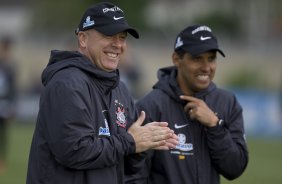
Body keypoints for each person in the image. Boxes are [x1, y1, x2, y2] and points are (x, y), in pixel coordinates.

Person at [26, 2, 178, 184]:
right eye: (108, 36)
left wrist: (142, 146)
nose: (118, 45)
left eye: (122, 37)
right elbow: (74, 151)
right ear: (82, 39)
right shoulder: (67, 83)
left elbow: (126, 164)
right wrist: (131, 142)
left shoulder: (119, 88)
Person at [134, 25, 249, 184]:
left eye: (211, 58)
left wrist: (215, 126)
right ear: (176, 59)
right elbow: (135, 174)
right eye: (197, 58)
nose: (206, 67)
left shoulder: (227, 102)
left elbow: (235, 168)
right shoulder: (151, 106)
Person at [0, 35, 16, 173]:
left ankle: (2, 161)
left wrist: (11, 106)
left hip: (4, 104)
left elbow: (12, 89)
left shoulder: (10, 67)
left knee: (3, 134)